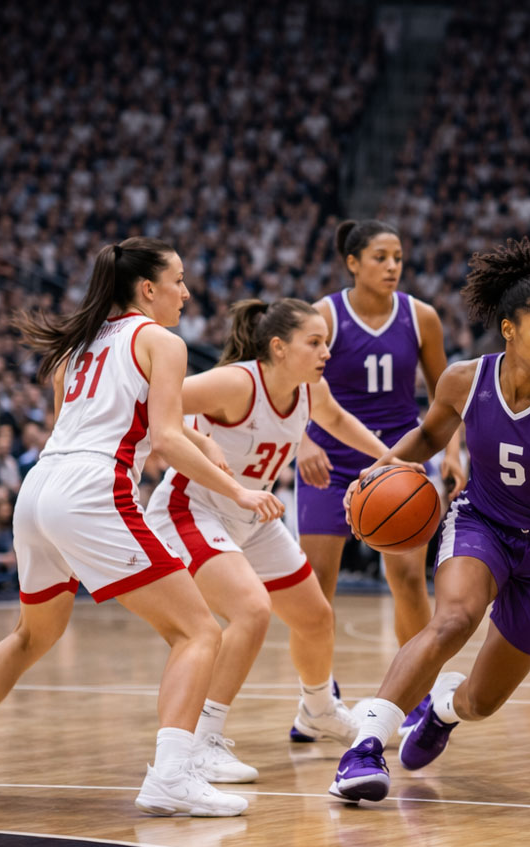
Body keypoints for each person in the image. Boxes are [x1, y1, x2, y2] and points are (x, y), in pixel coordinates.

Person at [0, 237, 283, 816]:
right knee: (199, 632)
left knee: (32, 634)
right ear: (148, 289)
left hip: (39, 488)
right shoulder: (162, 341)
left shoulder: (77, 346)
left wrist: (197, 437)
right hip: (93, 489)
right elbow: (160, 438)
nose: (186, 293)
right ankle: (171, 775)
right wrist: (235, 488)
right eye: (179, 281)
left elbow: (87, 423)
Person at [329, 237, 530, 801]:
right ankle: (365, 748)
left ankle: (445, 712)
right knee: (453, 620)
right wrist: (377, 472)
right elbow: (430, 436)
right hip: (482, 522)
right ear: (509, 329)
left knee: (483, 701)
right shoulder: (464, 379)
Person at [144, 298, 418, 782]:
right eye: (314, 343)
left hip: (254, 514)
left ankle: (317, 708)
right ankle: (203, 739)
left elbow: (337, 421)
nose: (325, 353)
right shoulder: (237, 382)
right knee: (251, 611)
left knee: (315, 618)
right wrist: (202, 439)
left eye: (326, 344)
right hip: (193, 508)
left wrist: (388, 459)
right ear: (279, 346)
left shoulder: (312, 390)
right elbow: (154, 400)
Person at [295, 220, 465, 658]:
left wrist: (453, 452)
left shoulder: (420, 316)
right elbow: (289, 385)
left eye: (398, 259)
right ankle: (317, 698)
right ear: (352, 263)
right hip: (329, 460)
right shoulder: (325, 316)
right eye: (381, 258)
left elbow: (446, 394)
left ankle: (414, 694)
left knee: (408, 580)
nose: (393, 267)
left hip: (400, 460)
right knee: (316, 585)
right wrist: (302, 441)